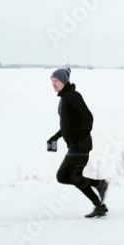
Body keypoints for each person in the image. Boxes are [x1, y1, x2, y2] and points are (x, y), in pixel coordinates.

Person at [47, 67, 109, 218]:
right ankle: (99, 188)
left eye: (56, 81)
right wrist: (55, 137)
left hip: (80, 146)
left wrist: (81, 138)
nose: (53, 84)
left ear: (64, 81)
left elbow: (88, 118)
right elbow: (68, 125)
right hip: (76, 146)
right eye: (52, 81)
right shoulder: (64, 98)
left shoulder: (73, 96)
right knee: (68, 177)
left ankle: (99, 197)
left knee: (66, 176)